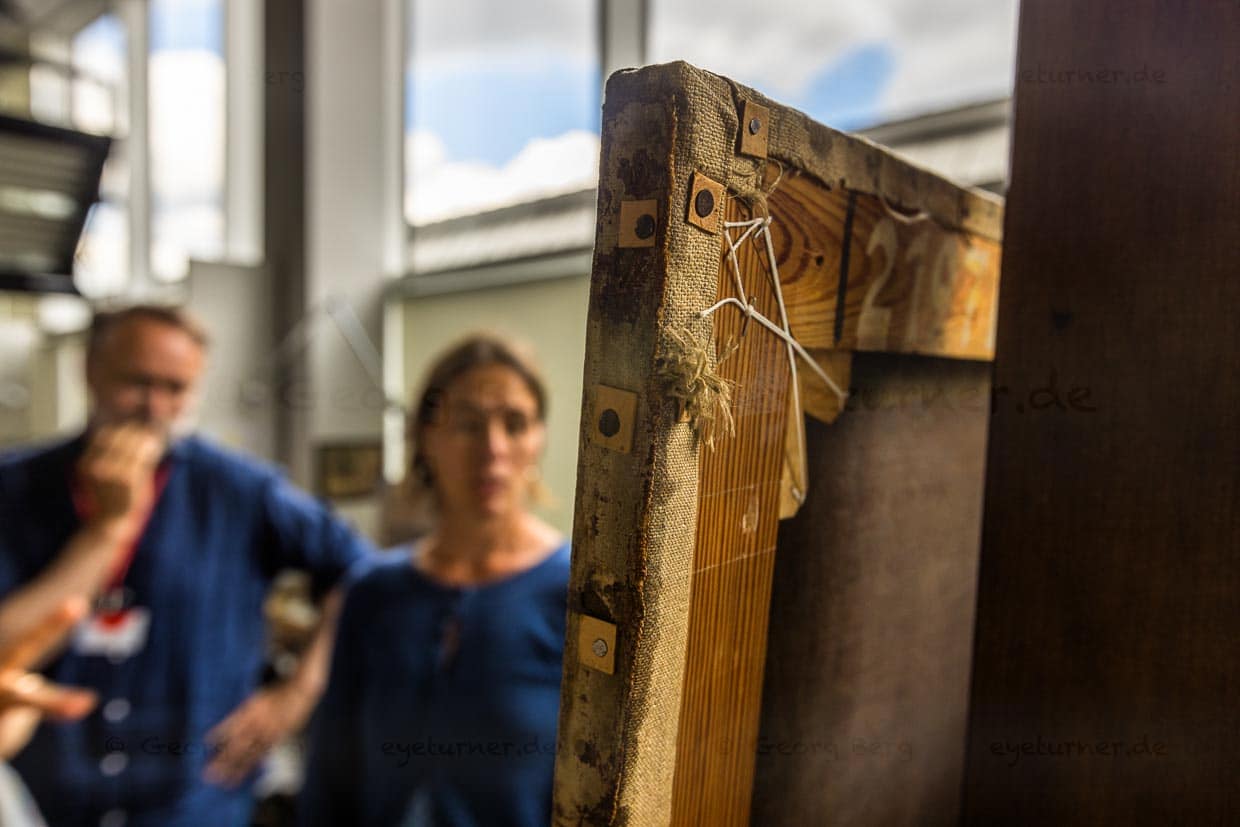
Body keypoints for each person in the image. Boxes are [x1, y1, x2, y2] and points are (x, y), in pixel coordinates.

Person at [0, 305, 375, 826]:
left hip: (194, 801)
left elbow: (364, 574)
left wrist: (298, 693)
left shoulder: (239, 490)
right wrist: (107, 530)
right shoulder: (14, 488)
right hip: (44, 800)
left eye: (175, 390)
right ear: (89, 370)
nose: (153, 407)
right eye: (136, 383)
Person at [300, 334, 570, 827]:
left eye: (515, 424)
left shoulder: (575, 594)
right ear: (426, 436)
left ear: (539, 438)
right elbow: (330, 775)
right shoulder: (374, 594)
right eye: (467, 423)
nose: (493, 449)